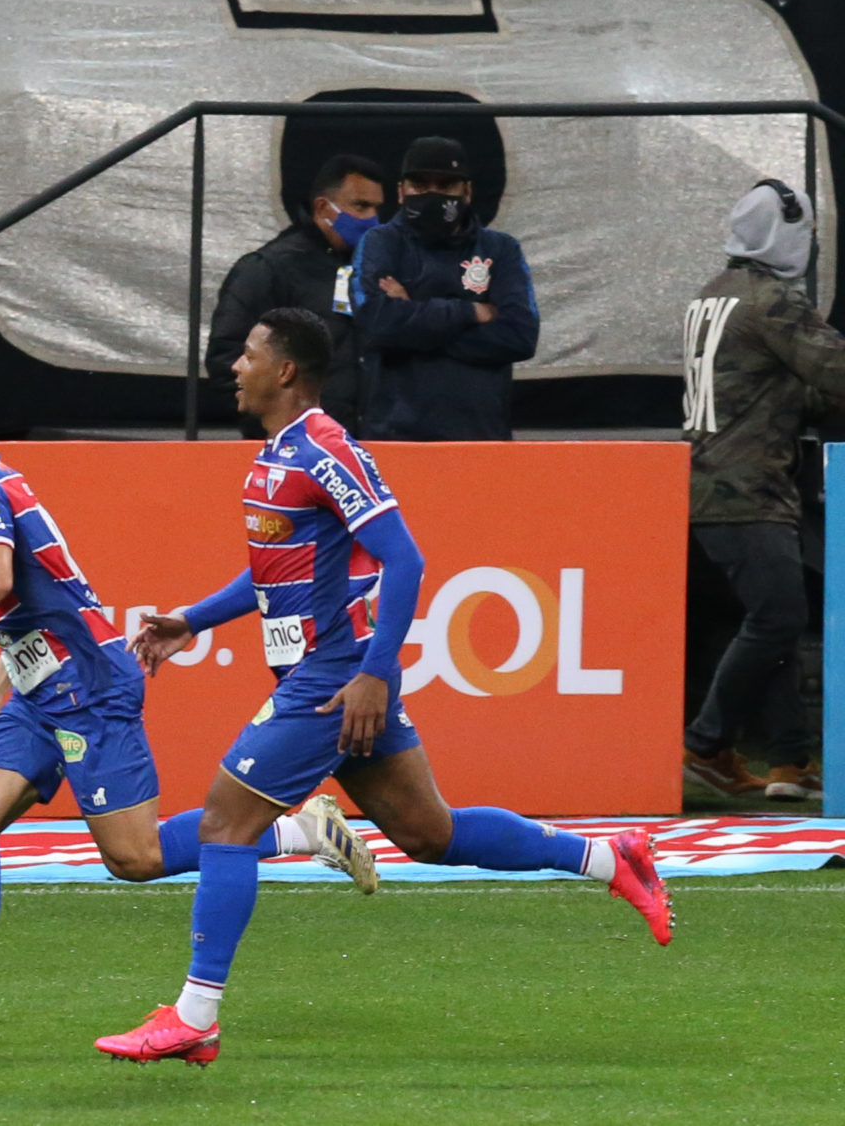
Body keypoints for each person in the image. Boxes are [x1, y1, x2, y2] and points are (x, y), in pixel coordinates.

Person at [93, 310, 671, 1068]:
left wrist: (371, 674)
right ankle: (608, 856)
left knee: (226, 825)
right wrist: (194, 620)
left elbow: (406, 560)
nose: (235, 365)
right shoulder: (279, 453)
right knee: (430, 832)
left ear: (287, 371)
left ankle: (196, 1016)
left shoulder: (327, 448)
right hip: (328, 673)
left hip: (333, 678)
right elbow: (278, 567)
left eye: (250, 354)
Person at [0, 374, 376, 1052]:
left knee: (135, 857)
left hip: (89, 688)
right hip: (40, 690)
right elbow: (35, 600)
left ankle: (301, 829)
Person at [681, 180, 843, 801]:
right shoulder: (772, 300)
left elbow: (766, 386)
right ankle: (705, 745)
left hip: (707, 483)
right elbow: (834, 371)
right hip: (748, 487)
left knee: (767, 617)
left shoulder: (713, 294)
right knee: (779, 616)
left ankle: (788, 762)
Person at [353, 136, 538, 440]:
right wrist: (469, 310)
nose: (432, 195)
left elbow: (520, 336)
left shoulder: (501, 249)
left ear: (467, 192)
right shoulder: (381, 242)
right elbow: (376, 325)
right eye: (420, 185)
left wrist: (413, 315)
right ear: (401, 192)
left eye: (445, 185)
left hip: (481, 437)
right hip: (394, 438)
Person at [207, 153, 386, 433]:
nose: (372, 219)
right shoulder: (269, 268)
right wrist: (281, 427)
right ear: (323, 207)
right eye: (361, 206)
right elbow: (226, 362)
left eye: (376, 209)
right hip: (293, 451)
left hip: (368, 443)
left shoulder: (375, 269)